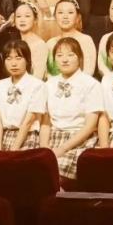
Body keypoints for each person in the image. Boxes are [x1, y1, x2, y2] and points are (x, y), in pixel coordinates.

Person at [40, 37, 103, 182]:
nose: (64, 60)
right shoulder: (49, 84)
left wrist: (62, 149)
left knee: (54, 175)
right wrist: (44, 149)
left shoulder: (91, 84)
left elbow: (90, 125)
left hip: (79, 139)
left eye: (70, 55)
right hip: (52, 138)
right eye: (59, 55)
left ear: (79, 58)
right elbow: (45, 122)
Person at [0, 39, 46, 151]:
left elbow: (28, 122)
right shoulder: (0, 85)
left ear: (27, 60)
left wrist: (14, 149)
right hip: (3, 135)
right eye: (9, 59)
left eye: (18, 58)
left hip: (27, 136)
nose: (13, 63)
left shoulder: (37, 85)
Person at [45, 0, 97, 76]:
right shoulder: (50, 43)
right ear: (55, 16)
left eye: (70, 12)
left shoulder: (86, 40)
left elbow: (88, 71)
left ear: (77, 17)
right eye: (60, 12)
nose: (65, 16)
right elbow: (49, 73)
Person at [13, 0, 48, 79]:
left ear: (35, 19)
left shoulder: (39, 45)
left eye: (27, 16)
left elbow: (38, 76)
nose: (22, 20)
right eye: (18, 16)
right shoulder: (14, 42)